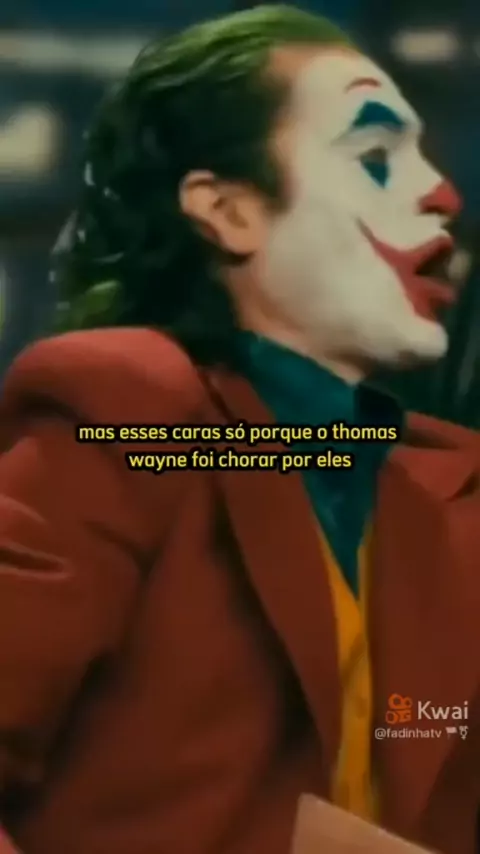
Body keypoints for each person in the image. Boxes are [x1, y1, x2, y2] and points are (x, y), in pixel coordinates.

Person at [0, 6, 477, 854]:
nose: (444, 193)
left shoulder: (448, 483)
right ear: (226, 209)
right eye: (375, 157)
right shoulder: (126, 412)